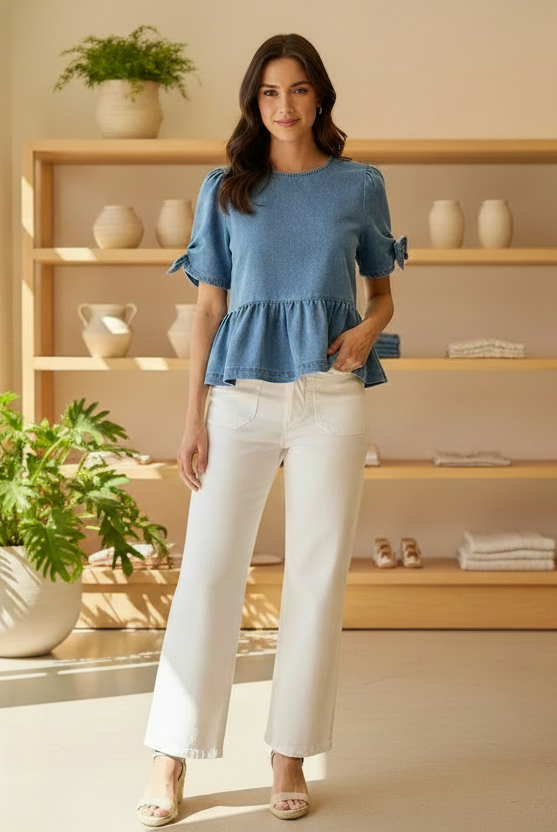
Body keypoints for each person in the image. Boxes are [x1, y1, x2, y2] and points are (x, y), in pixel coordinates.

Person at [136, 32, 408, 826]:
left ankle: (289, 754)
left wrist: (367, 331)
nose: (282, 105)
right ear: (253, 103)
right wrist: (194, 418)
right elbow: (207, 309)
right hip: (241, 397)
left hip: (330, 395)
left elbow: (382, 293)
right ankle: (170, 753)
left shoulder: (359, 184)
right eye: (268, 92)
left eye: (296, 89)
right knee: (208, 571)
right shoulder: (226, 188)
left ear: (318, 96)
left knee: (315, 578)